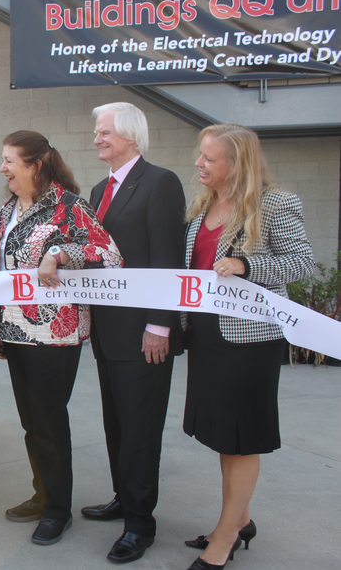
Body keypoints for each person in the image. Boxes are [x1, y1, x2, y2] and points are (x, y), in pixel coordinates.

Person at [180, 125, 314, 570]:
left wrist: (246, 264)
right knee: (224, 436)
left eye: (209, 158)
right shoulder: (203, 203)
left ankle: (226, 535)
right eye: (200, 155)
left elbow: (302, 263)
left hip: (249, 341)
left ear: (237, 165)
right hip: (207, 336)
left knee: (241, 439)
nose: (199, 164)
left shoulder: (274, 203)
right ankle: (242, 518)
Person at [0, 131, 122, 545]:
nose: (2, 168)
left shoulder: (68, 207)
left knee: (48, 422)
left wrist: (62, 254)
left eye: (10, 160)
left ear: (35, 165)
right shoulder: (9, 209)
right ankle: (43, 493)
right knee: (31, 424)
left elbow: (110, 255)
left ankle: (58, 511)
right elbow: (0, 270)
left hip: (53, 334)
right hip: (14, 332)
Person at [82, 102, 186, 564]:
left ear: (130, 137)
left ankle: (140, 525)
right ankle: (124, 498)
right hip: (108, 333)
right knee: (116, 424)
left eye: (105, 132)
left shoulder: (161, 183)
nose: (98, 139)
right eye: (98, 132)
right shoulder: (100, 187)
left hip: (145, 333)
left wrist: (160, 324)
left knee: (141, 429)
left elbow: (167, 258)